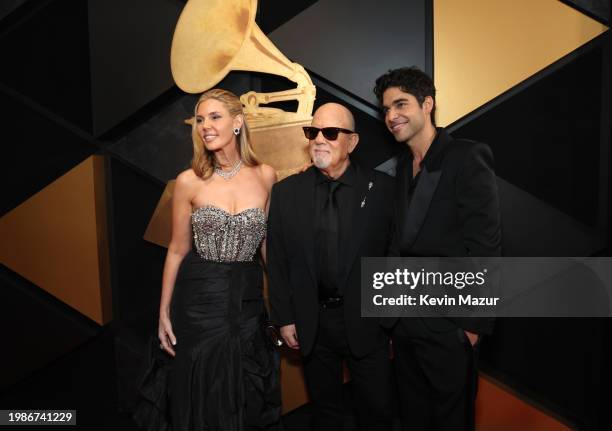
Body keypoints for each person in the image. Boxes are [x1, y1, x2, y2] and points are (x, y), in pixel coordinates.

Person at [133, 89, 282, 431]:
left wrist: (282, 303)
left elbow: (267, 247)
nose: (205, 126)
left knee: (247, 391)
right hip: (200, 301)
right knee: (201, 389)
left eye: (214, 117)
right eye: (200, 120)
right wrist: (163, 312)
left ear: (237, 122)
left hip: (246, 301)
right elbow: (176, 249)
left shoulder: (266, 176)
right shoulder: (188, 182)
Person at [373, 67, 501, 431]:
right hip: (404, 324)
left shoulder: (467, 157)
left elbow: (486, 246)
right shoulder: (400, 168)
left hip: (449, 325)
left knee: (452, 421)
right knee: (413, 418)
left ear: (427, 104)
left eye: (401, 104)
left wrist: (470, 328)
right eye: (385, 109)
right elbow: (397, 243)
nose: (392, 116)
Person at [267, 103, 395, 431]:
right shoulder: (286, 192)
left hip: (368, 323)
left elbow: (394, 254)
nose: (319, 140)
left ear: (352, 142)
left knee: (377, 412)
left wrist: (390, 318)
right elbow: (277, 259)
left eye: (331, 133)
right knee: (325, 416)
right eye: (313, 132)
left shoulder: (382, 189)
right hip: (313, 323)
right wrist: (285, 318)